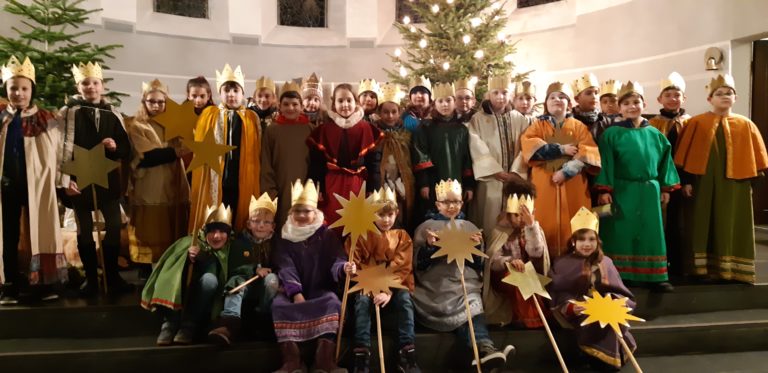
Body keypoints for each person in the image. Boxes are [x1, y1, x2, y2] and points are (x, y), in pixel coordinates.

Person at [674, 74, 768, 283]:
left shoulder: (746, 124)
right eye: (719, 93)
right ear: (710, 99)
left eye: (729, 93)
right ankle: (701, 269)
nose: (725, 96)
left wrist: (752, 183)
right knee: (701, 222)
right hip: (702, 183)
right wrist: (687, 181)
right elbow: (683, 157)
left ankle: (733, 270)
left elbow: (758, 162)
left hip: (736, 185)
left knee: (731, 222)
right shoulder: (696, 123)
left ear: (736, 98)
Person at [412, 179, 514, 370]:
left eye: (456, 202)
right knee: (468, 312)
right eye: (446, 202)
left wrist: (475, 248)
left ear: (461, 203)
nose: (452, 207)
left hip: (463, 286)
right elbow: (419, 264)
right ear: (438, 204)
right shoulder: (427, 227)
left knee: (472, 307)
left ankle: (485, 349)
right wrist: (429, 247)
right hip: (437, 287)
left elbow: (477, 265)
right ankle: (480, 357)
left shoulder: (470, 227)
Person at [595, 81, 679, 292]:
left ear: (644, 104)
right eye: (626, 103)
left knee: (650, 231)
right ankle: (620, 275)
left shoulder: (656, 134)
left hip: (650, 190)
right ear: (620, 108)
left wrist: (666, 188)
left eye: (636, 102)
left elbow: (665, 162)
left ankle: (655, 275)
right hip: (623, 190)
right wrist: (605, 190)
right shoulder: (611, 134)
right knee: (621, 231)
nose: (632, 106)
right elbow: (605, 163)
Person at [57, 61, 132, 297]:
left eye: (95, 83)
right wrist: (64, 179)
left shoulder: (112, 113)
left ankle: (112, 275)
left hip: (106, 180)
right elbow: (60, 148)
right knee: (85, 229)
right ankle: (90, 279)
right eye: (85, 83)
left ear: (102, 86)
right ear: (78, 86)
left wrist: (114, 146)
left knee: (112, 226)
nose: (91, 87)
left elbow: (125, 149)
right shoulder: (69, 113)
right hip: (79, 180)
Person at [0, 56, 66, 305]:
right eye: (13, 88)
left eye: (24, 88)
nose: (19, 93)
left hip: (37, 186)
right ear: (6, 90)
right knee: (7, 234)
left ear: (32, 90)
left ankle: (44, 282)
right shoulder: (1, 117)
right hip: (6, 185)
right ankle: (9, 285)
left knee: (42, 230)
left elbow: (59, 153)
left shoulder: (46, 119)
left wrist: (62, 180)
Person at [271, 179, 348, 373]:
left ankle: (324, 361)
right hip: (293, 293)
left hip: (320, 290)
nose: (302, 215)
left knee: (332, 303)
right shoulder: (285, 235)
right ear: (291, 212)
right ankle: (293, 362)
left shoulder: (327, 234)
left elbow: (337, 258)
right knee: (278, 306)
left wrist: (343, 268)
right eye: (298, 211)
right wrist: (296, 293)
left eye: (307, 211)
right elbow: (285, 266)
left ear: (315, 211)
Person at [549, 207, 637, 371]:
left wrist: (613, 300)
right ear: (573, 241)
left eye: (591, 239)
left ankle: (605, 363)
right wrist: (571, 307)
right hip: (580, 308)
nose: (587, 244)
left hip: (605, 306)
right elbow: (559, 291)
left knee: (610, 317)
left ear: (598, 242)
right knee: (596, 320)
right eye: (582, 240)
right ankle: (599, 361)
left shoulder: (606, 262)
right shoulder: (563, 263)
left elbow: (621, 291)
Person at [141, 203, 244, 345]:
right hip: (182, 295)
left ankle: (188, 326)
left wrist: (204, 258)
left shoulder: (231, 248)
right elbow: (169, 272)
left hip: (203, 302)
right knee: (175, 278)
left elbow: (220, 273)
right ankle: (169, 324)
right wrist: (186, 260)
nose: (216, 236)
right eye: (212, 231)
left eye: (222, 231)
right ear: (204, 231)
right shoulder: (190, 242)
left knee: (209, 281)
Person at [520, 82, 600, 257]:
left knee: (575, 222)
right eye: (553, 97)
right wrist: (559, 149)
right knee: (544, 220)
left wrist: (568, 170)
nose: (557, 100)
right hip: (544, 183)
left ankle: (575, 264)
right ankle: (544, 262)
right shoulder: (537, 126)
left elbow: (588, 150)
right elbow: (529, 146)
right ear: (545, 103)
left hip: (574, 184)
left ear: (570, 103)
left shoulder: (579, 126)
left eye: (562, 97)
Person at [345, 187, 420, 373]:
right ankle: (361, 356)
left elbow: (401, 266)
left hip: (394, 287)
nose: (386, 220)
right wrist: (352, 268)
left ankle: (407, 354)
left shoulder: (402, 236)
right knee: (361, 301)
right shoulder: (361, 235)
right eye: (380, 214)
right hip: (368, 286)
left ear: (396, 213)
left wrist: (387, 290)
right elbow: (357, 263)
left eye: (390, 214)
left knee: (405, 301)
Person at [190, 63, 261, 233]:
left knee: (239, 216)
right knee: (217, 219)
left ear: (243, 93)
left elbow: (256, 151)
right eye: (226, 90)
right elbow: (200, 148)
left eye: (236, 90)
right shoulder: (210, 115)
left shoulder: (251, 118)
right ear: (219, 93)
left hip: (242, 177)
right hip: (216, 178)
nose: (231, 95)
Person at [126, 79, 190, 265]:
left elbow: (189, 143)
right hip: (150, 187)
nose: (156, 105)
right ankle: (149, 271)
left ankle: (171, 268)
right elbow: (147, 156)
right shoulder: (137, 125)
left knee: (173, 230)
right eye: (151, 101)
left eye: (161, 102)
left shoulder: (174, 124)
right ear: (144, 101)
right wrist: (176, 152)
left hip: (174, 184)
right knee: (151, 231)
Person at [208, 193, 280, 346]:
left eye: (266, 222)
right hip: (245, 283)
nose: (261, 225)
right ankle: (228, 324)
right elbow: (236, 266)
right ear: (248, 223)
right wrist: (255, 269)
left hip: (265, 289)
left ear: (273, 226)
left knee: (272, 280)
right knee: (235, 282)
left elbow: (281, 264)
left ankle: (263, 321)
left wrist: (270, 271)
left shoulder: (277, 245)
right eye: (256, 221)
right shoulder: (239, 243)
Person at [307, 83, 381, 226]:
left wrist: (373, 189)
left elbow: (374, 164)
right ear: (334, 103)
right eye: (340, 101)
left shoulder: (367, 129)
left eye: (349, 100)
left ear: (356, 102)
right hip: (331, 186)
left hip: (358, 186)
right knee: (333, 223)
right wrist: (318, 188)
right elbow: (317, 164)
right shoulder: (324, 130)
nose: (345, 104)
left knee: (356, 225)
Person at [468, 74, 530, 236]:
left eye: (504, 92)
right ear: (489, 94)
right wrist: (496, 171)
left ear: (511, 95)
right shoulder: (478, 119)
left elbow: (526, 145)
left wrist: (515, 172)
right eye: (495, 92)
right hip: (491, 179)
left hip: (515, 179)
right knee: (489, 220)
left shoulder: (520, 119)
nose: (500, 97)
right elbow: (475, 145)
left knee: (516, 219)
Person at [483, 180, 549, 328]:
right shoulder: (499, 231)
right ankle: (527, 321)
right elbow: (492, 261)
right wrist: (510, 261)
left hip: (529, 274)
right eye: (516, 215)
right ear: (508, 213)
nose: (520, 220)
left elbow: (537, 253)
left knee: (529, 279)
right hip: (504, 275)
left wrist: (531, 227)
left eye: (524, 216)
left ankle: (535, 321)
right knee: (518, 279)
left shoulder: (534, 229)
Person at [412, 82, 475, 225]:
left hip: (457, 180)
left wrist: (470, 185)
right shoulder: (425, 127)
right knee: (435, 216)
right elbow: (420, 155)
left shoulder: (462, 130)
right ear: (435, 103)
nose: (445, 105)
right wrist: (424, 183)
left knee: (455, 214)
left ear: (454, 102)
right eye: (440, 101)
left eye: (448, 100)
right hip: (434, 180)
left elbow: (467, 158)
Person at [648, 72, 690, 277]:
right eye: (668, 95)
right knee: (660, 222)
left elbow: (695, 153)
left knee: (680, 223)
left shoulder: (691, 123)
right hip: (658, 180)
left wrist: (689, 180)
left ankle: (681, 266)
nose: (673, 99)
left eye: (677, 95)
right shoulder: (652, 125)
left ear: (684, 98)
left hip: (685, 180)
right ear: (659, 99)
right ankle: (660, 264)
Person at [260, 81, 312, 229]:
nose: (290, 108)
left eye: (295, 104)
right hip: (280, 188)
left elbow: (315, 162)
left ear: (301, 107)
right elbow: (266, 161)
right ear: (279, 106)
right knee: (282, 225)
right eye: (286, 104)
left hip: (304, 187)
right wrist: (269, 191)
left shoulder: (310, 129)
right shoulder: (272, 130)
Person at [372, 83, 415, 229]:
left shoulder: (405, 134)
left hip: (401, 181)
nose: (390, 116)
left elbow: (409, 159)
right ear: (379, 112)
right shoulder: (374, 132)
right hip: (381, 182)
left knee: (400, 213)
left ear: (399, 112)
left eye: (394, 112)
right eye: (385, 112)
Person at [571, 73, 613, 142]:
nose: (594, 97)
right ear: (577, 99)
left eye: (596, 93)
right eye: (588, 93)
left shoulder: (605, 120)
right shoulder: (569, 121)